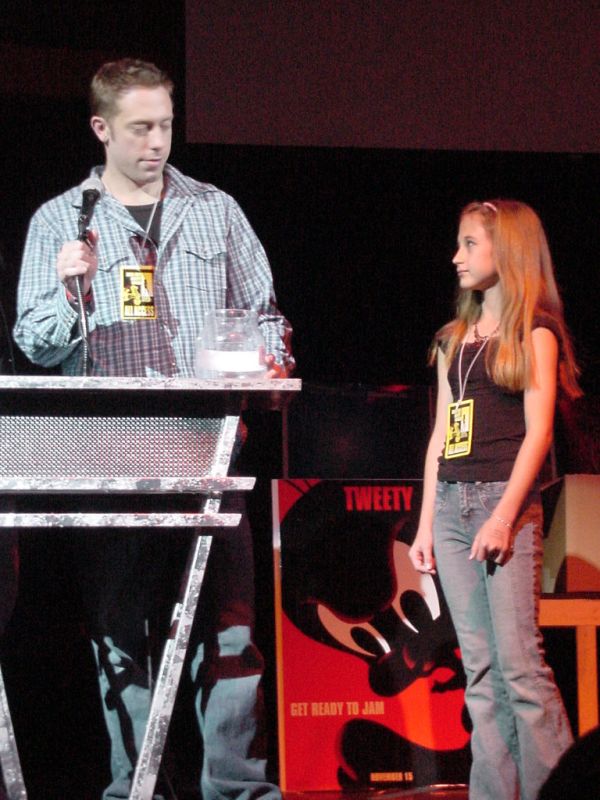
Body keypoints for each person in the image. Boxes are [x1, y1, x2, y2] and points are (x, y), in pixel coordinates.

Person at [13, 58, 293, 800]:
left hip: (208, 439)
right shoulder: (59, 219)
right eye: (140, 128)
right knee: (121, 634)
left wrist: (265, 358)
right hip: (111, 445)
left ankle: (238, 788)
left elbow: (265, 313)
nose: (156, 142)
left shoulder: (215, 210)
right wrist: (68, 285)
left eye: (165, 125)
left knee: (229, 631)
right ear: (103, 128)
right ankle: (138, 786)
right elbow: (35, 344)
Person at [408, 200, 581, 800]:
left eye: (471, 244)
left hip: (501, 505)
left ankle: (557, 788)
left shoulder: (534, 332)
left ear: (505, 251)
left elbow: (539, 433)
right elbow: (441, 434)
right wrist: (426, 523)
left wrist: (505, 518)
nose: (457, 256)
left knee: (521, 670)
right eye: (459, 244)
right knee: (479, 673)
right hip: (453, 506)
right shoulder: (452, 339)